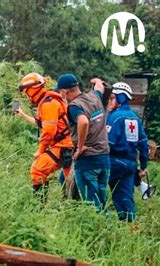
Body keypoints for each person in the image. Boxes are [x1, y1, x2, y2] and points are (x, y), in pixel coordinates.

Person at [55, 74, 110, 211]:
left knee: (92, 206)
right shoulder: (94, 97)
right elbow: (99, 88)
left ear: (64, 92)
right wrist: (97, 81)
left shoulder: (74, 106)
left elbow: (83, 121)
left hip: (87, 160)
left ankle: (99, 229)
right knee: (101, 202)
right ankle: (107, 228)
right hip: (104, 158)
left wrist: (80, 148)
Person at [17, 73, 73, 196]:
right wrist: (23, 115)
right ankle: (72, 204)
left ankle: (39, 207)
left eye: (26, 92)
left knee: (37, 170)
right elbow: (43, 125)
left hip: (63, 146)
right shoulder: (48, 101)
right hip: (65, 145)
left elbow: (48, 132)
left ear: (33, 89)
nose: (26, 96)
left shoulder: (48, 104)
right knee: (69, 179)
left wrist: (40, 150)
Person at [105, 81, 150, 221]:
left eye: (112, 98)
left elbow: (108, 143)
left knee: (97, 190)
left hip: (114, 162)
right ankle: (131, 228)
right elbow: (144, 144)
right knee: (126, 199)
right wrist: (143, 167)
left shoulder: (114, 117)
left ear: (121, 98)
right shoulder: (135, 119)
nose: (109, 101)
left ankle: (99, 221)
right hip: (130, 165)